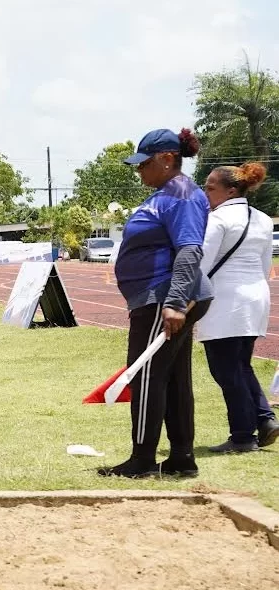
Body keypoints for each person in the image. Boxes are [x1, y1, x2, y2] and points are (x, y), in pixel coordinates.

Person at [99, 128, 213, 479]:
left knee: (146, 375)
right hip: (160, 296)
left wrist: (175, 302)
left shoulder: (180, 194)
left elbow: (190, 248)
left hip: (164, 296)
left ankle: (143, 459)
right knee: (174, 379)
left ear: (167, 159)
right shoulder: (167, 193)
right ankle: (181, 458)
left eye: (144, 164)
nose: (139, 172)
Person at [197, 162, 279, 452]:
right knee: (241, 365)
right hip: (255, 295)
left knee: (226, 370)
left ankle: (243, 436)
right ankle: (265, 419)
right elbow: (266, 263)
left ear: (230, 190)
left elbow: (202, 263)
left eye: (210, 188)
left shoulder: (217, 219)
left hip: (225, 300)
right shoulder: (263, 219)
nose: (205, 193)